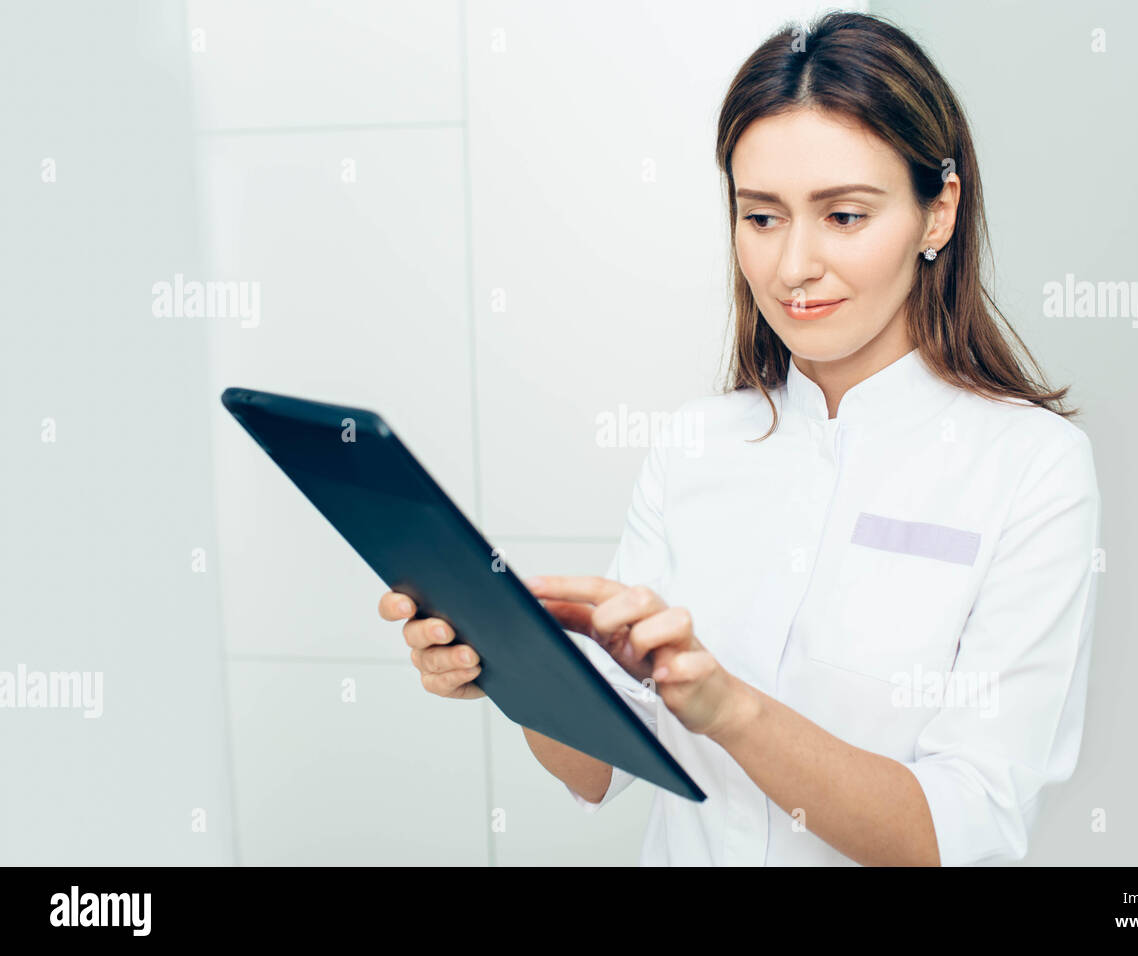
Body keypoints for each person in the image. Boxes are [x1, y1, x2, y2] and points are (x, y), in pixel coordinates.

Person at [379, 11, 1100, 866]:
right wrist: (509, 663)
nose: (793, 266)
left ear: (936, 212)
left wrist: (730, 708)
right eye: (762, 217)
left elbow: (954, 831)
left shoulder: (1031, 469)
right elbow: (599, 768)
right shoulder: (692, 447)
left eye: (843, 216)